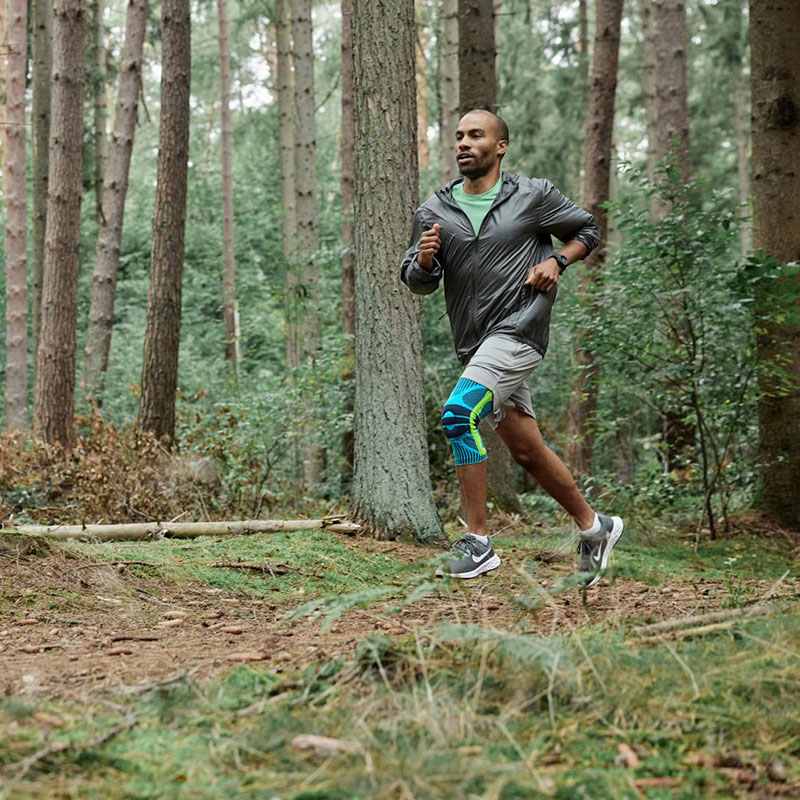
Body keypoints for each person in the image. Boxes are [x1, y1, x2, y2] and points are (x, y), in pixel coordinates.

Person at [400, 109, 623, 587]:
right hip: (474, 346)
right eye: (459, 136)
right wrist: (423, 261)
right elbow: (417, 282)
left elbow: (588, 230)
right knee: (525, 449)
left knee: (459, 415)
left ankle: (477, 542)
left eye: (476, 135)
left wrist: (557, 261)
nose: (464, 143)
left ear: (500, 146)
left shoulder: (532, 195)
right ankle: (595, 527)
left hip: (520, 330)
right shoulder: (434, 211)